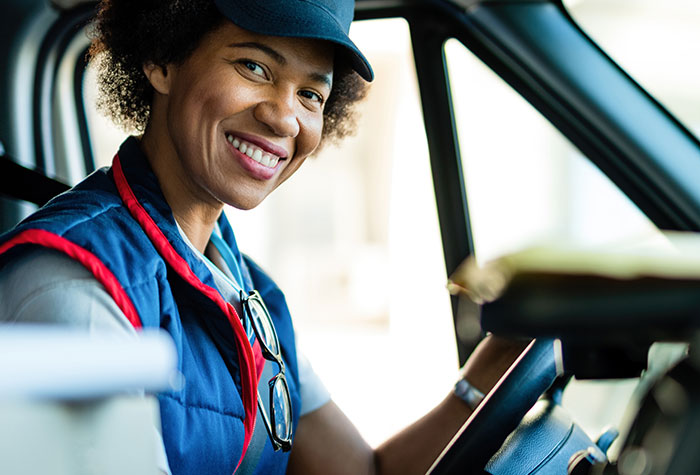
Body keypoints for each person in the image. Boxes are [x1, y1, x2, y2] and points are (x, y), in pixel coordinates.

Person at [0, 0, 526, 473]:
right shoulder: (73, 293)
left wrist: (495, 366)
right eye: (253, 66)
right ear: (162, 58)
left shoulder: (250, 294)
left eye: (311, 94)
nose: (283, 117)